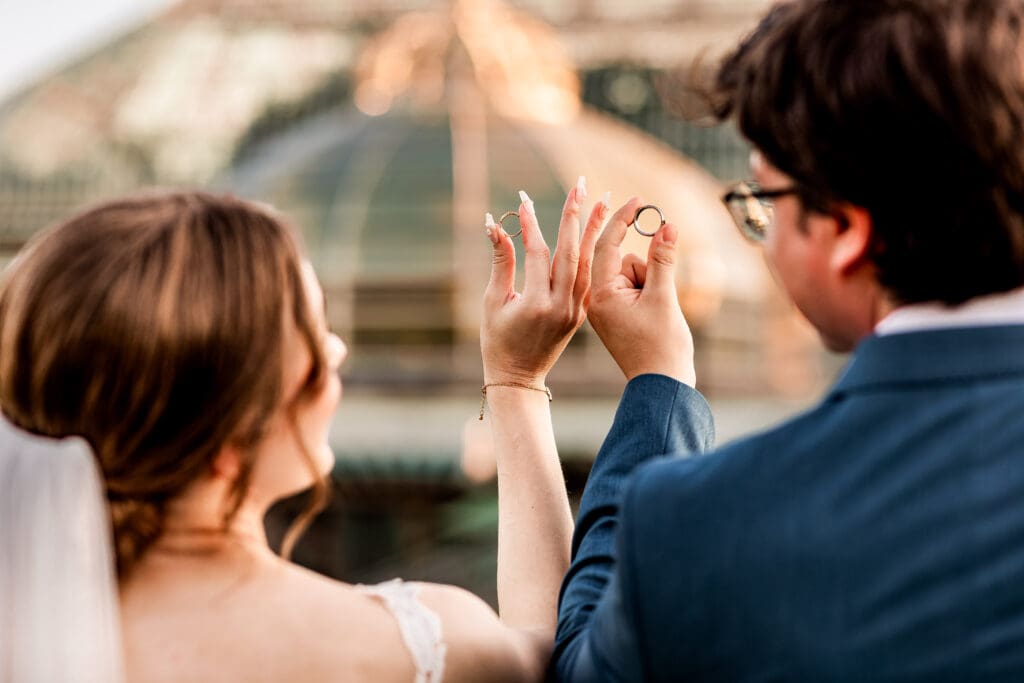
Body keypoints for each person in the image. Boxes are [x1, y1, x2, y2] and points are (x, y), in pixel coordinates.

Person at [550, 1, 1024, 681]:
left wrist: (657, 387)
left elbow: (583, 666)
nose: (761, 233)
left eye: (763, 201)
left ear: (845, 229)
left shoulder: (702, 525)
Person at [0, 185, 605, 682]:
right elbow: (562, 651)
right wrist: (518, 382)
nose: (336, 351)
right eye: (316, 336)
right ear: (228, 446)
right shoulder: (422, 647)